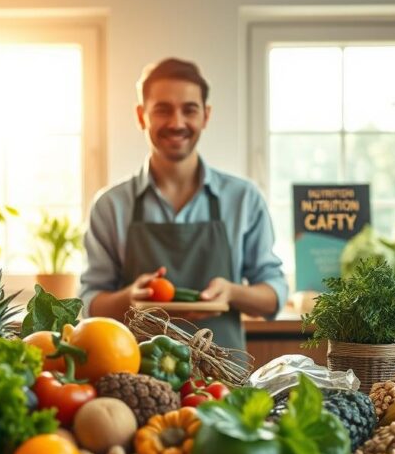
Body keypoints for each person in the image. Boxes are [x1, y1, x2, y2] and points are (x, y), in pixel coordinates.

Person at [79, 57, 287, 350]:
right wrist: (130, 299)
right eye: (162, 110)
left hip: (224, 382)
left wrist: (231, 293)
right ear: (141, 116)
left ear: (206, 115)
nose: (177, 123)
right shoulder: (110, 206)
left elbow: (273, 294)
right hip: (137, 383)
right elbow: (89, 303)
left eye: (189, 110)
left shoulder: (243, 198)